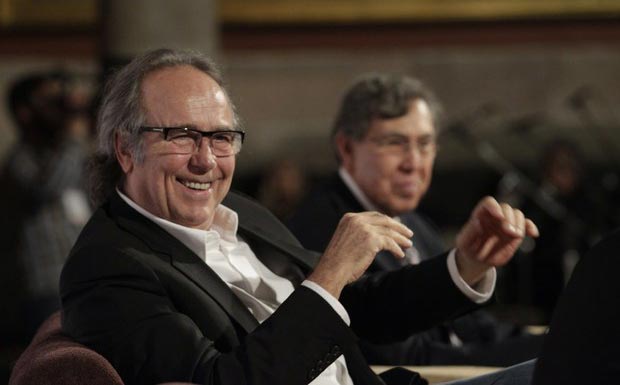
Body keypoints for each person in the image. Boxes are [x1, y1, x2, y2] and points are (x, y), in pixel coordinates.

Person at [60, 48, 538, 385]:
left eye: (222, 137)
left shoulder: (241, 211)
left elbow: (363, 309)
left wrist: (465, 264)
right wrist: (327, 276)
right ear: (125, 148)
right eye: (182, 135)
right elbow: (219, 381)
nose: (207, 160)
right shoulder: (108, 267)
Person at [287, 74, 543, 366]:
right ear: (346, 148)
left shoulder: (415, 222)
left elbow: (475, 330)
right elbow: (400, 356)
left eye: (425, 144)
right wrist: (545, 353)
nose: (413, 163)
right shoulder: (321, 228)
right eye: (395, 143)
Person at [0, 72, 91, 342]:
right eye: (48, 101)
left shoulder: (66, 153)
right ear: (25, 112)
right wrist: (74, 135)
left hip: (83, 279)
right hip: (47, 289)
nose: (58, 108)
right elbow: (51, 186)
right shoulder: (19, 162)